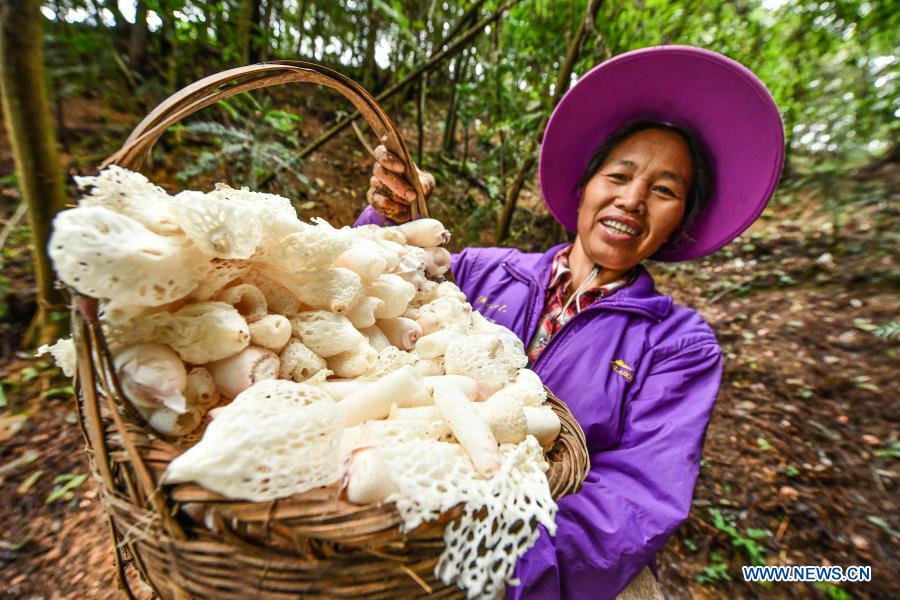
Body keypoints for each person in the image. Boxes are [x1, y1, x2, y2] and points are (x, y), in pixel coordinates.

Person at [356, 46, 784, 599]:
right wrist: (389, 223)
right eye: (620, 175)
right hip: (400, 502)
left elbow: (636, 497)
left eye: (664, 191)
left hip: (529, 558)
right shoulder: (482, 271)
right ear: (585, 188)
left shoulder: (679, 344)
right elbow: (379, 303)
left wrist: (498, 568)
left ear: (680, 220)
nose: (632, 200)